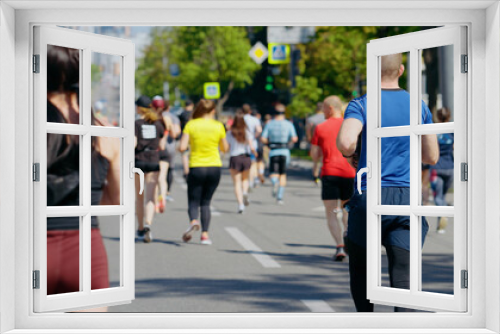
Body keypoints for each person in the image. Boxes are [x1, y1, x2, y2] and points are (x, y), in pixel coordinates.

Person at [337, 53, 439, 312]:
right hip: (406, 196)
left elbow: (346, 142)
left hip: (370, 195)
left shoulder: (362, 104)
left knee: (362, 270)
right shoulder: (418, 105)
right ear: (401, 70)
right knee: (403, 273)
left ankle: (367, 324)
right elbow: (431, 156)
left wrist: (352, 155)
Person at [46, 45, 120, 312]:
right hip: (84, 250)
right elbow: (114, 202)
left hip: (27, 246)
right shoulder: (102, 132)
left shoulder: (21, 124)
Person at [310, 96, 355, 262]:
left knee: (331, 212)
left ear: (330, 108)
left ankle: (339, 246)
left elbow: (314, 155)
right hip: (350, 173)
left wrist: (316, 162)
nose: (322, 112)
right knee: (347, 210)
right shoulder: (349, 126)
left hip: (330, 173)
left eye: (323, 108)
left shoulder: (320, 127)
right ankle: (348, 235)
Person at [179, 99, 228, 245]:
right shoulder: (218, 126)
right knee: (206, 202)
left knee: (193, 200)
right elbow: (225, 148)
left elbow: (182, 147)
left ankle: (194, 221)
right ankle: (205, 235)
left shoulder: (191, 125)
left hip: (196, 166)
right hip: (214, 167)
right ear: (213, 111)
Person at [134, 95, 166, 243]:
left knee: (139, 197)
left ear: (139, 108)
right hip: (153, 161)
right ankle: (148, 223)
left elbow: (133, 143)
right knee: (151, 197)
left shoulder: (136, 123)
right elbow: (161, 145)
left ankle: (140, 229)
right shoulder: (158, 124)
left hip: (139, 161)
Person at [261, 103, 298, 205]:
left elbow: (263, 138)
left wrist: (268, 143)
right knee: (283, 174)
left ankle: (274, 182)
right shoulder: (288, 124)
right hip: (285, 151)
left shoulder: (270, 124)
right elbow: (295, 138)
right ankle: (280, 197)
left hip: (273, 151)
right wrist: (289, 142)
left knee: (273, 173)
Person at [226, 110, 258, 214]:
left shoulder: (230, 133)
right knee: (245, 179)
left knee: (236, 182)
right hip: (246, 157)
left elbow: (227, 147)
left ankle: (240, 204)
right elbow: (251, 146)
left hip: (234, 157)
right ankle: (245, 192)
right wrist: (255, 153)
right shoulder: (247, 132)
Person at [430, 107, 454, 233]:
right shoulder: (452, 130)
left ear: (437, 117)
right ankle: (442, 220)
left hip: (436, 169)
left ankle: (442, 215)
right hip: (450, 168)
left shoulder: (434, 130)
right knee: (443, 195)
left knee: (438, 197)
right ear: (449, 117)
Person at [151, 96, 173, 213]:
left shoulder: (150, 119)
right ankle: (163, 198)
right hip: (165, 152)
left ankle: (154, 203)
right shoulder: (167, 119)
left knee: (153, 179)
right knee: (162, 178)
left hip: (154, 151)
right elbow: (174, 134)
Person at [242, 104, 262, 188]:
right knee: (253, 163)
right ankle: (252, 180)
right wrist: (254, 136)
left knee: (244, 164)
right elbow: (259, 130)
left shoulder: (240, 119)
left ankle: (245, 181)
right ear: (249, 111)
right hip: (253, 144)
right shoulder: (254, 119)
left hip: (242, 144)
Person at [306, 102, 325, 185]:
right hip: (326, 141)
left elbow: (308, 131)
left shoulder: (311, 119)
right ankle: (324, 176)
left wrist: (309, 140)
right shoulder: (327, 118)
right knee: (325, 160)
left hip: (315, 142)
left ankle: (316, 178)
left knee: (316, 161)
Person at [179, 100, 194, 181]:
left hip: (184, 136)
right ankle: (191, 169)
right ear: (192, 105)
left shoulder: (182, 114)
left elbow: (180, 125)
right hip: (194, 136)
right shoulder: (194, 114)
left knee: (185, 155)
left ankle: (186, 172)